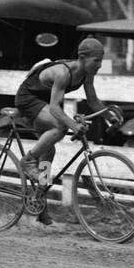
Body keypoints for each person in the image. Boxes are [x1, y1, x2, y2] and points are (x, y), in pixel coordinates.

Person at [15, 36, 113, 226]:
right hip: (29, 99)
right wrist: (72, 124)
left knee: (49, 152)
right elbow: (54, 109)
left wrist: (109, 116)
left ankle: (39, 203)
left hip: (46, 102)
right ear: (83, 58)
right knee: (59, 127)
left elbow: (93, 101)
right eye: (96, 61)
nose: (100, 65)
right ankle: (28, 160)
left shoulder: (87, 73)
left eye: (101, 60)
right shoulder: (63, 73)